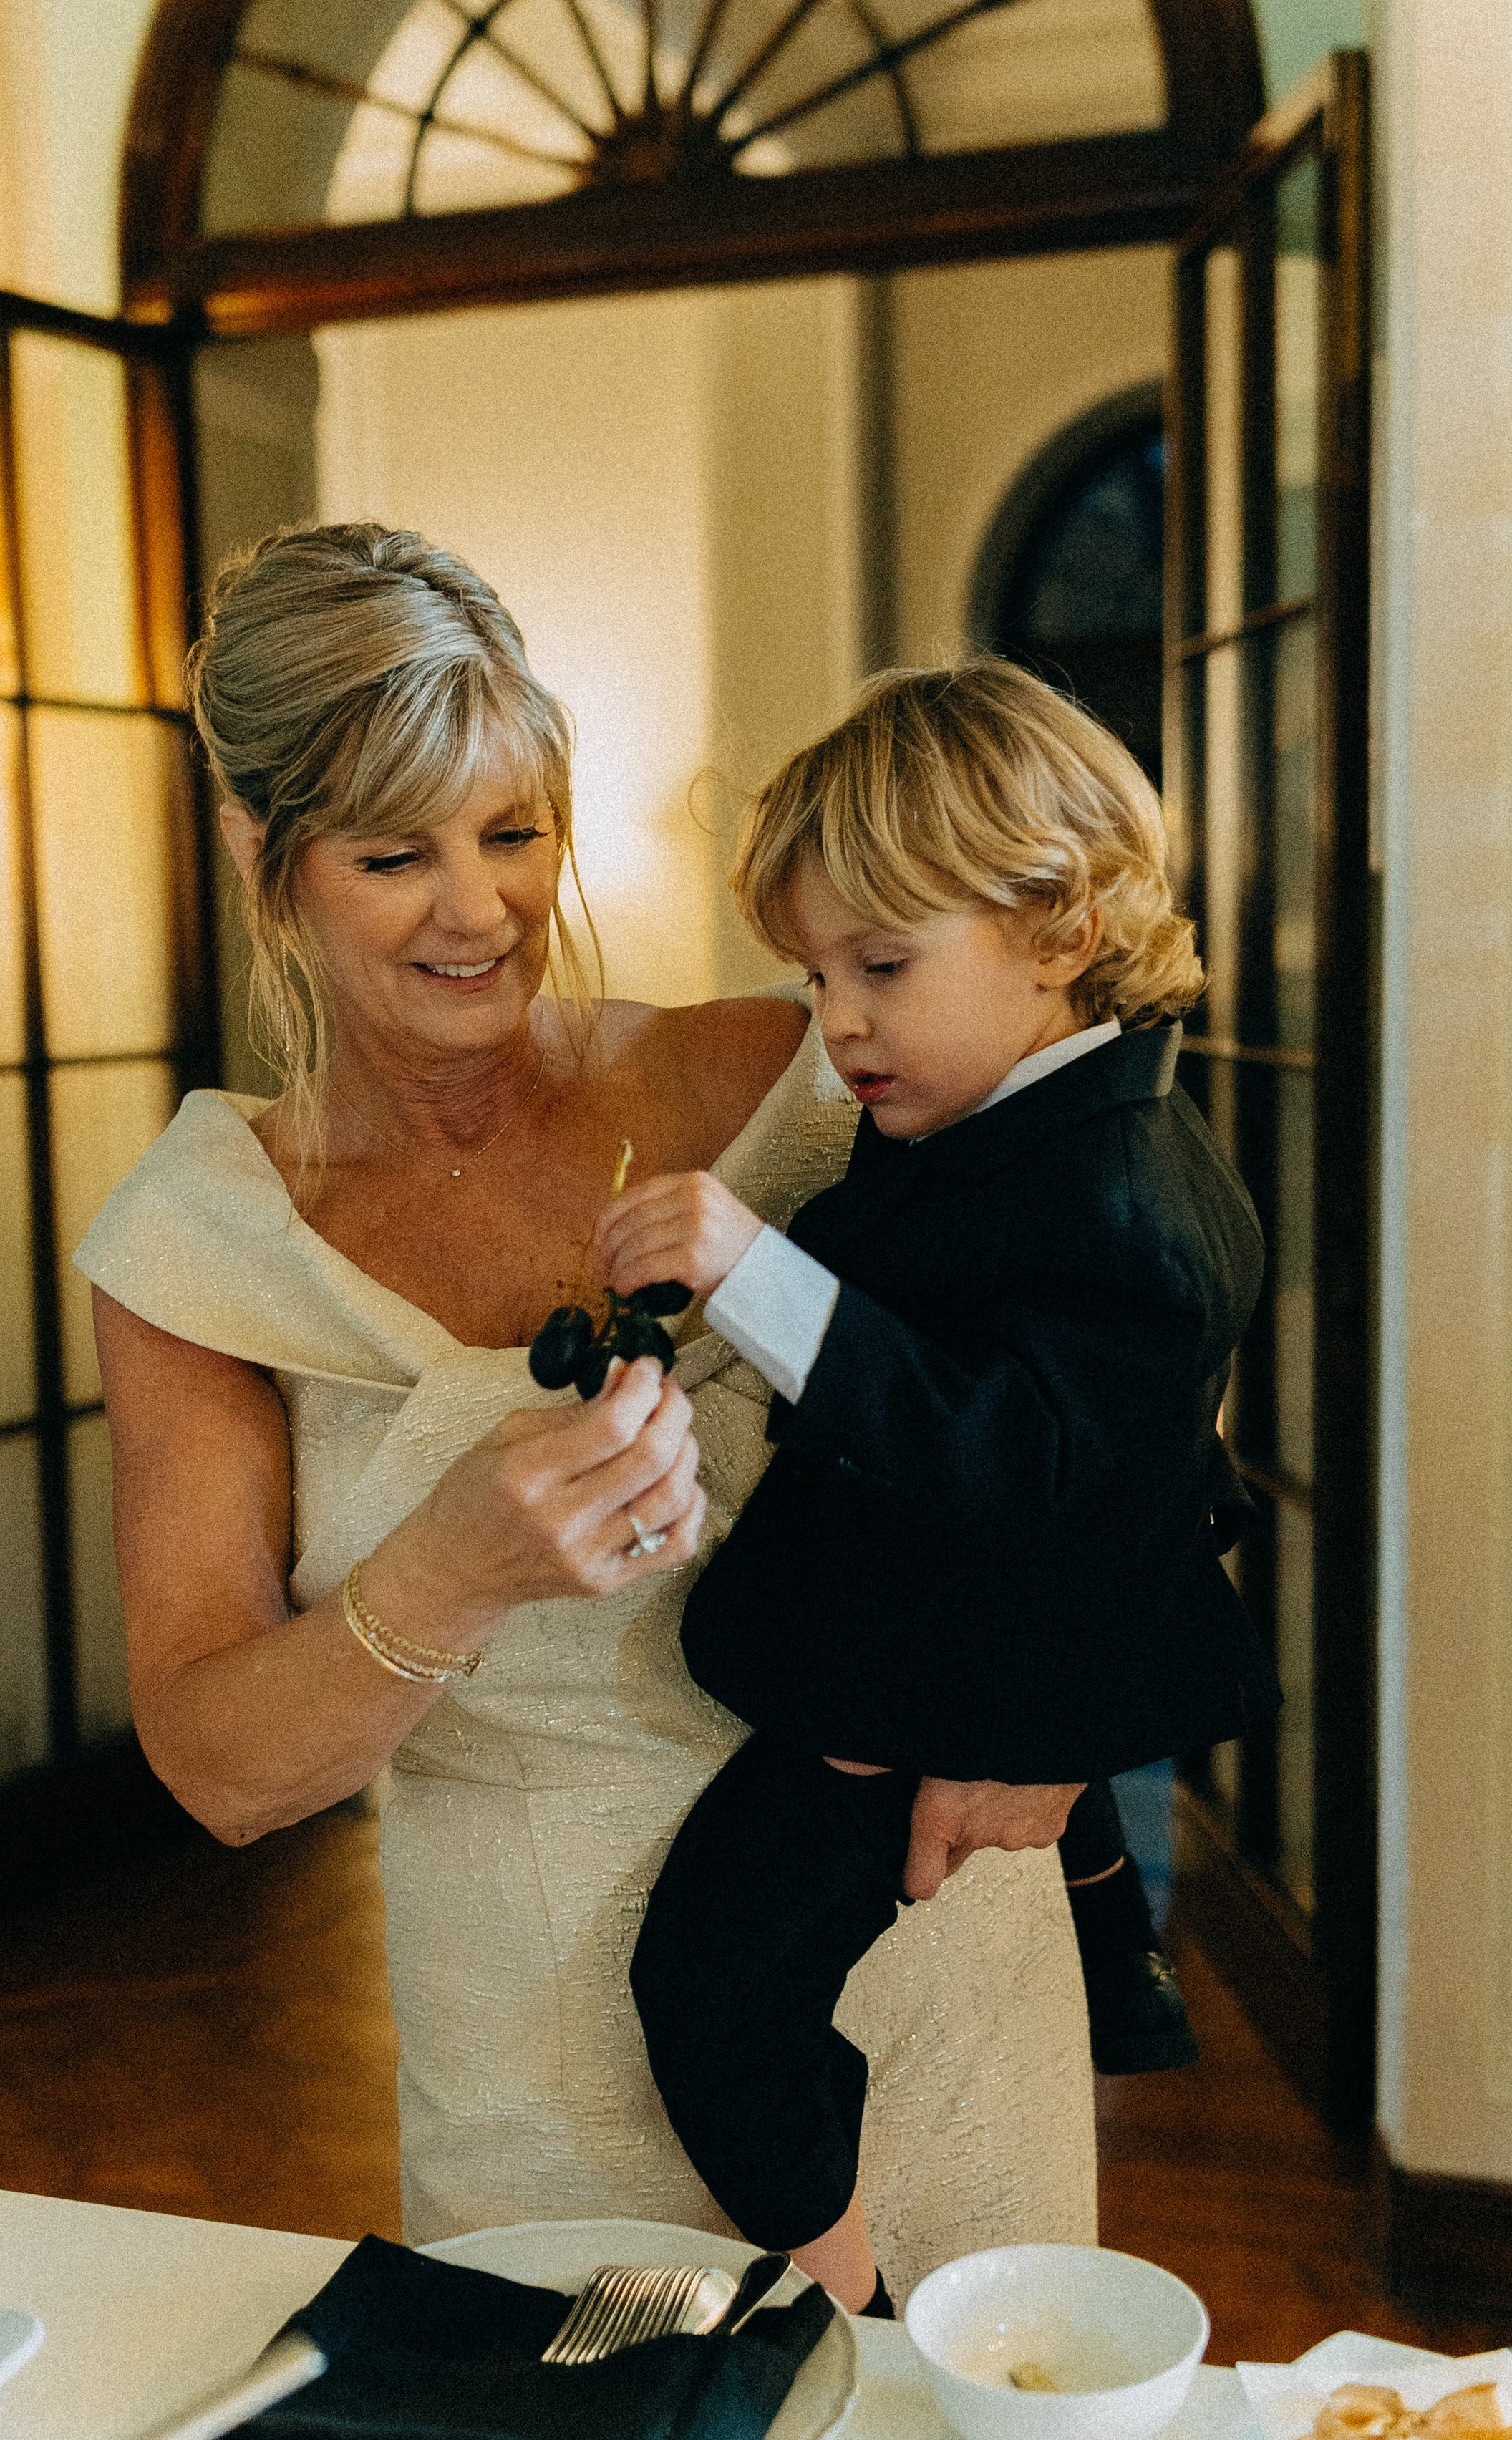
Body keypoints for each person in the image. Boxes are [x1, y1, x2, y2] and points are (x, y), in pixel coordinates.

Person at [76, 526, 1097, 2307]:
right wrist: (448, 1576)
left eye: (515, 833)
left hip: (925, 1961)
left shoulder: (788, 1074)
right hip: (551, 2050)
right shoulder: (200, 1246)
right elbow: (218, 1771)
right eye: (394, 854)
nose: (478, 912)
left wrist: (1066, 1686)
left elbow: (1115, 1359)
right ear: (263, 853)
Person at [601, 661, 1279, 2315]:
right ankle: (1111, 1943)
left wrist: (756, 1275)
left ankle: (858, 2309)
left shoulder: (1125, 1202)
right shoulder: (1003, 1118)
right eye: (817, 971)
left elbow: (1022, 1465)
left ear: (1059, 928)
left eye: (880, 966)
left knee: (704, 1985)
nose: (835, 1025)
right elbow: (914, 1276)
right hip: (910, 1650)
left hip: (932, 1678)